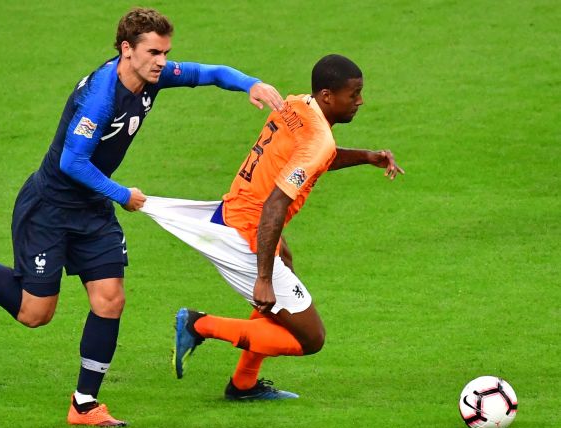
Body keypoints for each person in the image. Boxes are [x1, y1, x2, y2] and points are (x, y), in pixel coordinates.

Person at [0, 7, 283, 427]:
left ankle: (84, 404)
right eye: (153, 52)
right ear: (126, 50)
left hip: (91, 211)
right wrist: (123, 195)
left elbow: (206, 72)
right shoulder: (101, 96)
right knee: (35, 314)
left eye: (165, 52)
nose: (162, 60)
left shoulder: (152, 76)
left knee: (110, 299)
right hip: (50, 209)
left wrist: (252, 84)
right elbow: (72, 162)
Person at [141, 54, 404, 400]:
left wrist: (366, 156)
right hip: (247, 233)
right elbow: (275, 204)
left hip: (236, 210)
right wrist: (263, 278)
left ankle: (243, 384)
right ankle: (198, 325)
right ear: (327, 96)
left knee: (286, 259)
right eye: (353, 94)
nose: (360, 101)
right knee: (311, 338)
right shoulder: (318, 142)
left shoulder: (297, 104)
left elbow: (317, 155)